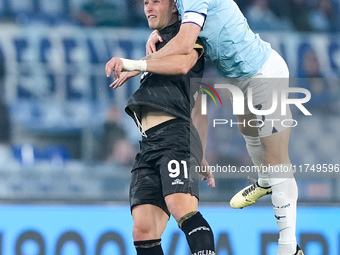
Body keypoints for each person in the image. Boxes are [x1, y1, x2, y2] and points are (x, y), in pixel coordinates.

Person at [121, 0, 304, 254]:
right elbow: (180, 26)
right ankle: (264, 181)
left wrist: (138, 63)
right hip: (238, 81)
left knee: (276, 159)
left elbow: (185, 45)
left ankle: (288, 246)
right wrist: (159, 31)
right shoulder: (183, 6)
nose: (149, 5)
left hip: (264, 73)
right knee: (249, 133)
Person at [105, 0, 216, 254]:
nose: (148, 7)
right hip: (149, 143)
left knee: (182, 207)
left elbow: (182, 65)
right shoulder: (157, 44)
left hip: (175, 137)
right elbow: (197, 105)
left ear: (176, 6)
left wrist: (136, 64)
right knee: (143, 227)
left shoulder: (189, 38)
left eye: (156, 1)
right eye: (145, 2)